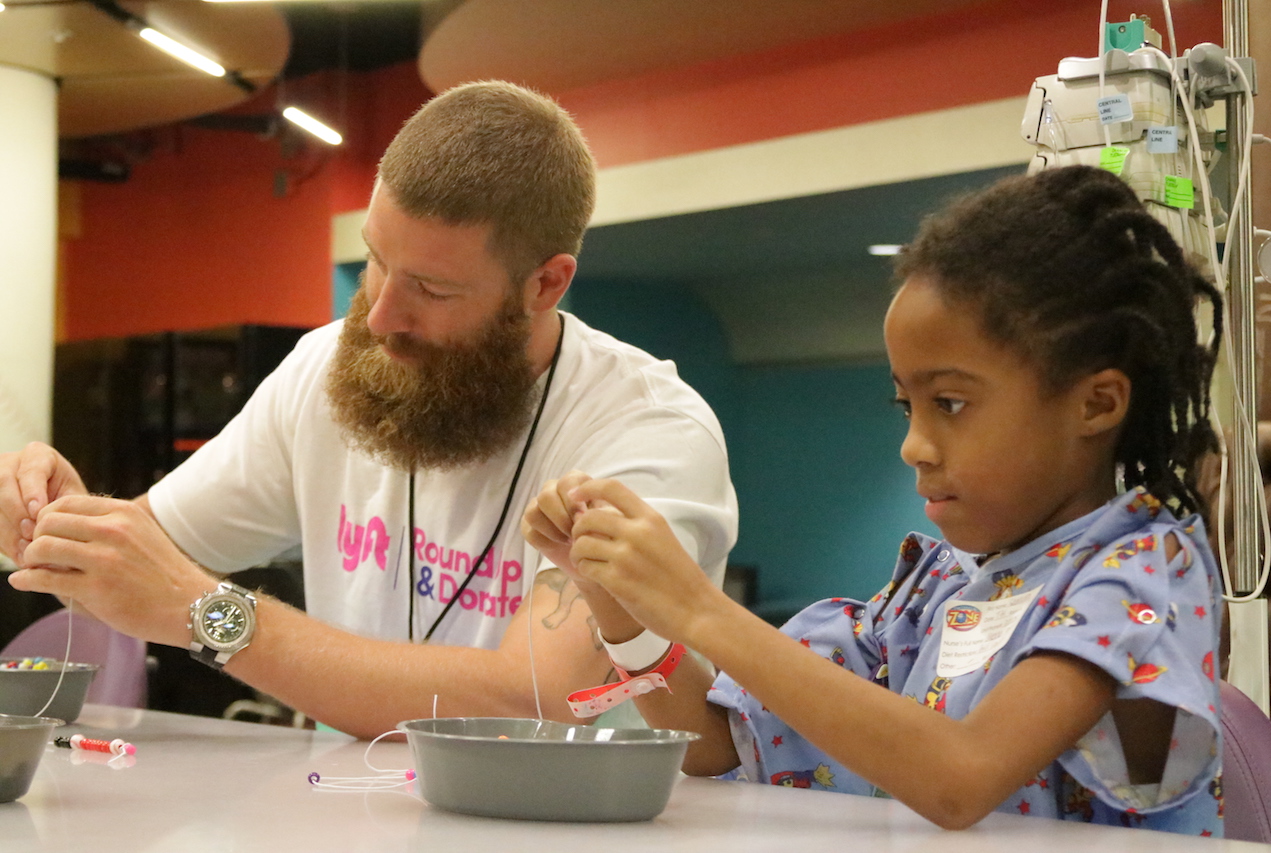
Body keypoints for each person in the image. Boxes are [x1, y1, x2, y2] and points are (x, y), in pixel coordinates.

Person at [0, 81, 736, 739]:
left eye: (433, 290)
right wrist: (58, 529)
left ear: (546, 284)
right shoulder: (324, 368)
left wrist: (210, 615)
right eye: (376, 259)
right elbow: (143, 567)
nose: (382, 316)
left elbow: (535, 703)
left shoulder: (649, 433)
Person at [524, 166, 1225, 834]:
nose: (914, 444)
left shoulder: (1140, 569)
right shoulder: (936, 589)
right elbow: (715, 743)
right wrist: (618, 602)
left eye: (950, 402)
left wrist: (700, 608)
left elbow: (963, 775)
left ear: (1095, 404)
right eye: (907, 406)